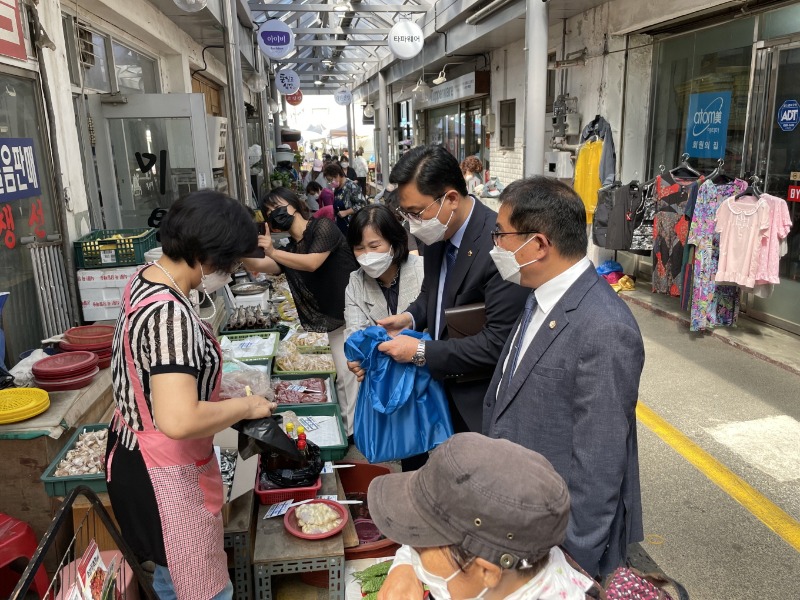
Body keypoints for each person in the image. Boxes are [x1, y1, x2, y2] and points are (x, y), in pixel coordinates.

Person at [104, 191, 277, 600]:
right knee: (199, 587)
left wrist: (218, 387)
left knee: (170, 578)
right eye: (231, 261)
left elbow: (155, 378)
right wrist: (247, 405)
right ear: (206, 255)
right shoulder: (170, 315)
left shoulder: (146, 280)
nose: (233, 270)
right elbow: (178, 419)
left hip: (136, 453)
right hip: (163, 471)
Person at [482, 176, 645, 578]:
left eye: (501, 234)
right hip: (519, 514)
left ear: (538, 244)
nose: (495, 246)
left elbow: (600, 464)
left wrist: (571, 566)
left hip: (557, 543)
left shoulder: (604, 327)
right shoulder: (540, 293)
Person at [355, 145, 528, 439]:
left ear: (450, 199)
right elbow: (432, 294)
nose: (412, 223)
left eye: (416, 212)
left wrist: (419, 351)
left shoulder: (497, 246)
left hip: (473, 403)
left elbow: (497, 344)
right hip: (432, 390)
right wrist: (409, 318)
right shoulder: (436, 231)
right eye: (405, 213)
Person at [368, 432, 598, 600]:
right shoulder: (526, 555)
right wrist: (405, 567)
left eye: (419, 544)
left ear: (487, 571)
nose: (411, 547)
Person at [243, 187, 360, 437]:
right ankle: (348, 428)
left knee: (349, 375)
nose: (276, 214)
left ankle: (354, 433)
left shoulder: (322, 228)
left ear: (295, 203)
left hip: (354, 312)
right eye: (270, 212)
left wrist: (273, 251)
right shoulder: (293, 247)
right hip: (335, 317)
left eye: (278, 207)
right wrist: (239, 251)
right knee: (343, 374)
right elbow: (267, 265)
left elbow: (312, 262)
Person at [324, 162, 366, 235]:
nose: (330, 183)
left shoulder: (351, 186)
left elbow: (362, 204)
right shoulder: (337, 189)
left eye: (331, 180)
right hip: (340, 229)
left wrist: (346, 212)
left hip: (352, 229)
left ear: (337, 175)